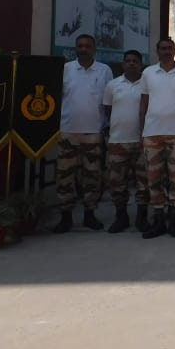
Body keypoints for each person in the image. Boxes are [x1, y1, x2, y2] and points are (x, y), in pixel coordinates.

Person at [138, 37, 175, 238]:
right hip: (152, 133)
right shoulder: (148, 73)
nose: (166, 51)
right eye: (162, 48)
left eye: (169, 48)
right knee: (153, 178)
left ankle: (174, 220)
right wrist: (141, 131)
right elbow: (143, 103)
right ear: (157, 51)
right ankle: (158, 220)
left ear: (174, 51)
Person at [53, 34, 113, 233]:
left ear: (94, 49)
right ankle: (66, 217)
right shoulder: (65, 70)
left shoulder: (104, 71)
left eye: (87, 46)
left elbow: (108, 101)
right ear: (75, 48)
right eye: (80, 46)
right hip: (68, 132)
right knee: (65, 177)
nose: (84, 49)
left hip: (93, 133)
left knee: (92, 177)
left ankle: (89, 215)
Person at [102, 49, 146, 234]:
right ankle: (121, 217)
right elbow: (108, 110)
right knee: (117, 183)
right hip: (118, 141)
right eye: (128, 60)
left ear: (141, 64)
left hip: (141, 141)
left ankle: (142, 218)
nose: (131, 63)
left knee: (144, 183)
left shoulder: (147, 84)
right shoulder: (113, 85)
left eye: (135, 61)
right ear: (123, 64)